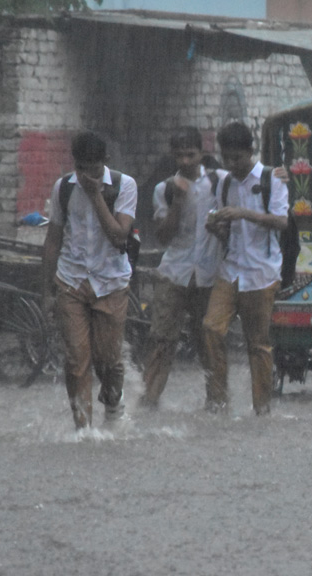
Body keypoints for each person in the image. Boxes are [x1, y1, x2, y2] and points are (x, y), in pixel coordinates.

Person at [42, 131, 137, 429]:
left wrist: (96, 195)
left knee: (108, 359)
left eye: (93, 169)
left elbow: (119, 235)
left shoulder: (124, 185)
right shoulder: (63, 189)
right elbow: (53, 240)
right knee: (76, 360)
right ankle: (82, 429)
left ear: (105, 162)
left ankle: (112, 403)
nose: (86, 175)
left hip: (111, 282)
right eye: (81, 168)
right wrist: (46, 288)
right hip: (71, 280)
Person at [201, 121, 289, 416]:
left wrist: (244, 213)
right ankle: (218, 401)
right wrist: (216, 227)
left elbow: (281, 221)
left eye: (237, 158)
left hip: (261, 272)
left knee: (258, 344)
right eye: (227, 158)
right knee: (211, 329)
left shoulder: (271, 178)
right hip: (230, 269)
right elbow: (225, 230)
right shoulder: (225, 183)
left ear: (250, 152)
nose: (232, 164)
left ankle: (262, 409)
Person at [139, 126, 223, 408]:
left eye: (191, 154)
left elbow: (250, 178)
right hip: (174, 273)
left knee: (209, 341)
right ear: (173, 156)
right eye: (180, 156)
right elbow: (163, 236)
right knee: (161, 338)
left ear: (202, 153)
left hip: (209, 275)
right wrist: (177, 202)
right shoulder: (164, 189)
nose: (186, 161)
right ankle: (149, 400)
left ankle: (217, 402)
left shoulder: (219, 183)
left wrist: (276, 175)